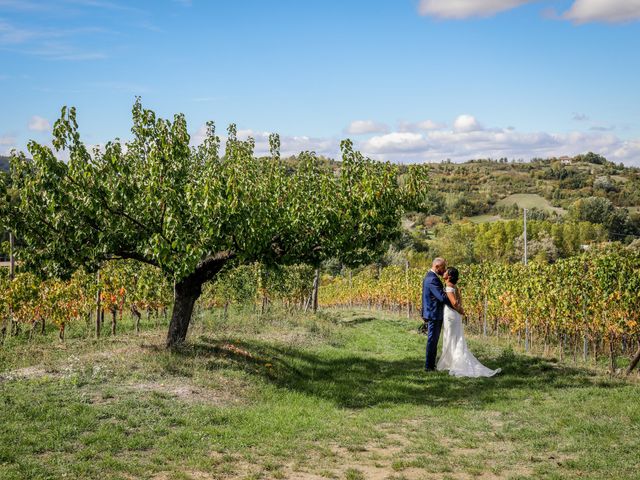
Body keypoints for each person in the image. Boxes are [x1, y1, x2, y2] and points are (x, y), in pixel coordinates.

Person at [437, 267, 501, 377]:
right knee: (456, 337)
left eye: (446, 272)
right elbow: (459, 301)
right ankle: (451, 361)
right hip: (455, 315)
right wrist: (461, 311)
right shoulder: (455, 287)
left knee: (450, 337)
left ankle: (452, 362)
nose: (444, 272)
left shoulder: (448, 287)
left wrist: (460, 310)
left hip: (451, 315)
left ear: (449, 276)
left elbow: (455, 303)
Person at [422, 258, 455, 371]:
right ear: (437, 266)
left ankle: (431, 365)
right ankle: (429, 366)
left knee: (433, 340)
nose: (444, 270)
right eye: (443, 267)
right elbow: (442, 297)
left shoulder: (432, 277)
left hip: (434, 313)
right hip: (434, 314)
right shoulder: (432, 279)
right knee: (432, 340)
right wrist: (453, 297)